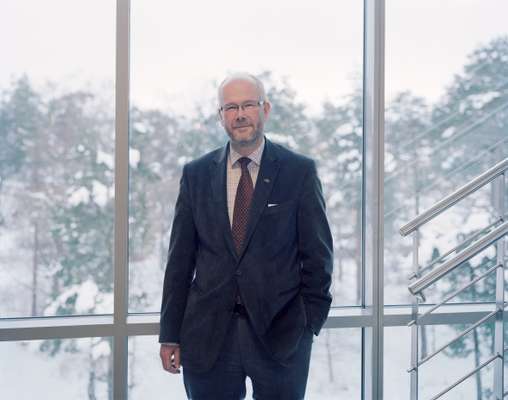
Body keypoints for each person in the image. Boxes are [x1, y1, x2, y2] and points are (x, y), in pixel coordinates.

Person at [159, 72, 333, 399]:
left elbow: (318, 257)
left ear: (265, 109)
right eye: (231, 107)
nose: (240, 114)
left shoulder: (299, 171)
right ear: (220, 116)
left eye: (248, 105)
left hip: (281, 337)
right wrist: (169, 334)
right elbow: (179, 261)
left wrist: (308, 323)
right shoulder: (195, 175)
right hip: (208, 337)